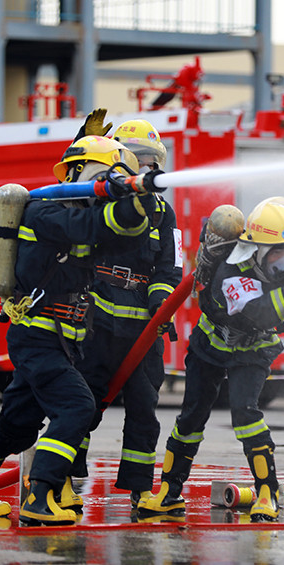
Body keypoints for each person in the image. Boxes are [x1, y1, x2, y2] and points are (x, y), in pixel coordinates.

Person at [0, 135, 156, 526]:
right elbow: (93, 225)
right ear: (83, 173)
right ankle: (39, 497)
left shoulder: (79, 212)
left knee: (17, 425)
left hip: (63, 340)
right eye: (108, 173)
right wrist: (118, 193)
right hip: (38, 336)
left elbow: (125, 232)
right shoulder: (45, 210)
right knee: (77, 406)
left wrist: (137, 196)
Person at [138, 198, 284, 522]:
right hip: (210, 346)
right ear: (256, 248)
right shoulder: (231, 268)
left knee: (246, 415)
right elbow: (261, 310)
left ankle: (267, 494)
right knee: (190, 420)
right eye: (276, 253)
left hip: (253, 350)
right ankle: (169, 494)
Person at [66, 114, 182, 510]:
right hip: (95, 320)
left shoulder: (164, 213)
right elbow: (68, 190)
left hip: (141, 328)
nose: (142, 166)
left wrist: (159, 306)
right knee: (82, 404)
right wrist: (83, 143)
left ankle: (141, 491)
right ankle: (63, 480)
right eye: (134, 157)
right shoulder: (99, 199)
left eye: (149, 159)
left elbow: (170, 269)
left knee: (144, 410)